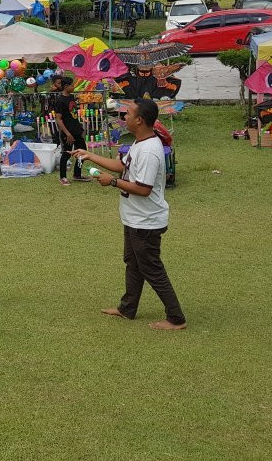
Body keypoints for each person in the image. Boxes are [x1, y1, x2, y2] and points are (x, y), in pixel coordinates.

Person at [73, 98, 187, 331]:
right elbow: (122, 165)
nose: (124, 117)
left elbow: (143, 189)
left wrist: (113, 182)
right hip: (135, 219)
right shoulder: (139, 142)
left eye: (128, 114)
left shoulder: (149, 151)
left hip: (145, 222)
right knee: (133, 264)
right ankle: (127, 308)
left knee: (151, 268)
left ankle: (176, 318)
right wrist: (90, 155)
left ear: (139, 120)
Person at [53, 76, 87, 185]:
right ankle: (62, 177)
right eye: (72, 85)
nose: (74, 87)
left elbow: (73, 115)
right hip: (67, 133)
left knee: (82, 153)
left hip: (76, 130)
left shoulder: (71, 97)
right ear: (66, 86)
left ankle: (77, 174)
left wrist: (80, 128)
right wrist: (68, 134)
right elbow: (58, 119)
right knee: (66, 154)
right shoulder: (60, 101)